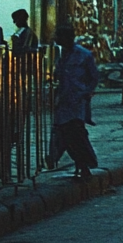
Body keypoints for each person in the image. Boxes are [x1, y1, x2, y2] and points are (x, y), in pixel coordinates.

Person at [46, 24, 100, 179]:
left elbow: (94, 77)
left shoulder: (84, 55)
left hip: (77, 102)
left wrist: (86, 93)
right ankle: (79, 164)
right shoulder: (62, 56)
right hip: (64, 101)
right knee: (67, 136)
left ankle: (84, 166)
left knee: (77, 135)